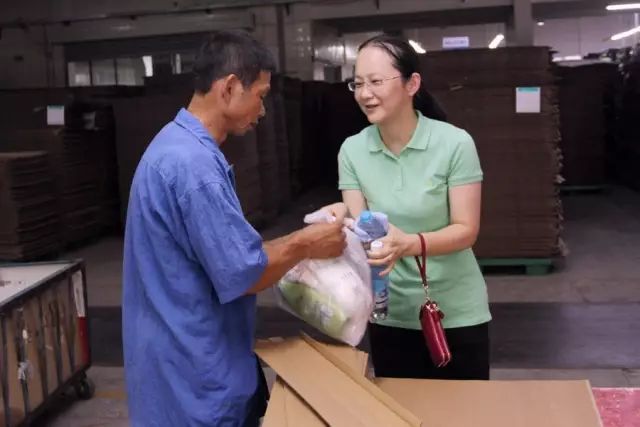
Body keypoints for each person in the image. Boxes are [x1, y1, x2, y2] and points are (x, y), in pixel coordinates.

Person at [122, 30, 346, 427]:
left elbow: (229, 252)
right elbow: (243, 272)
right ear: (228, 88)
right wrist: (306, 244)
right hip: (194, 376)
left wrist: (290, 244)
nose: (262, 111)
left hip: (172, 359)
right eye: (260, 95)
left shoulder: (174, 146)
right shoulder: (193, 168)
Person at [335, 34, 492, 380]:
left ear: (412, 84)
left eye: (376, 81)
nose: (364, 93)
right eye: (358, 83)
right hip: (388, 313)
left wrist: (409, 244)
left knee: (466, 406)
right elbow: (363, 229)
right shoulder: (352, 151)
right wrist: (339, 219)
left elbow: (466, 230)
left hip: (455, 312)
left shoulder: (454, 144)